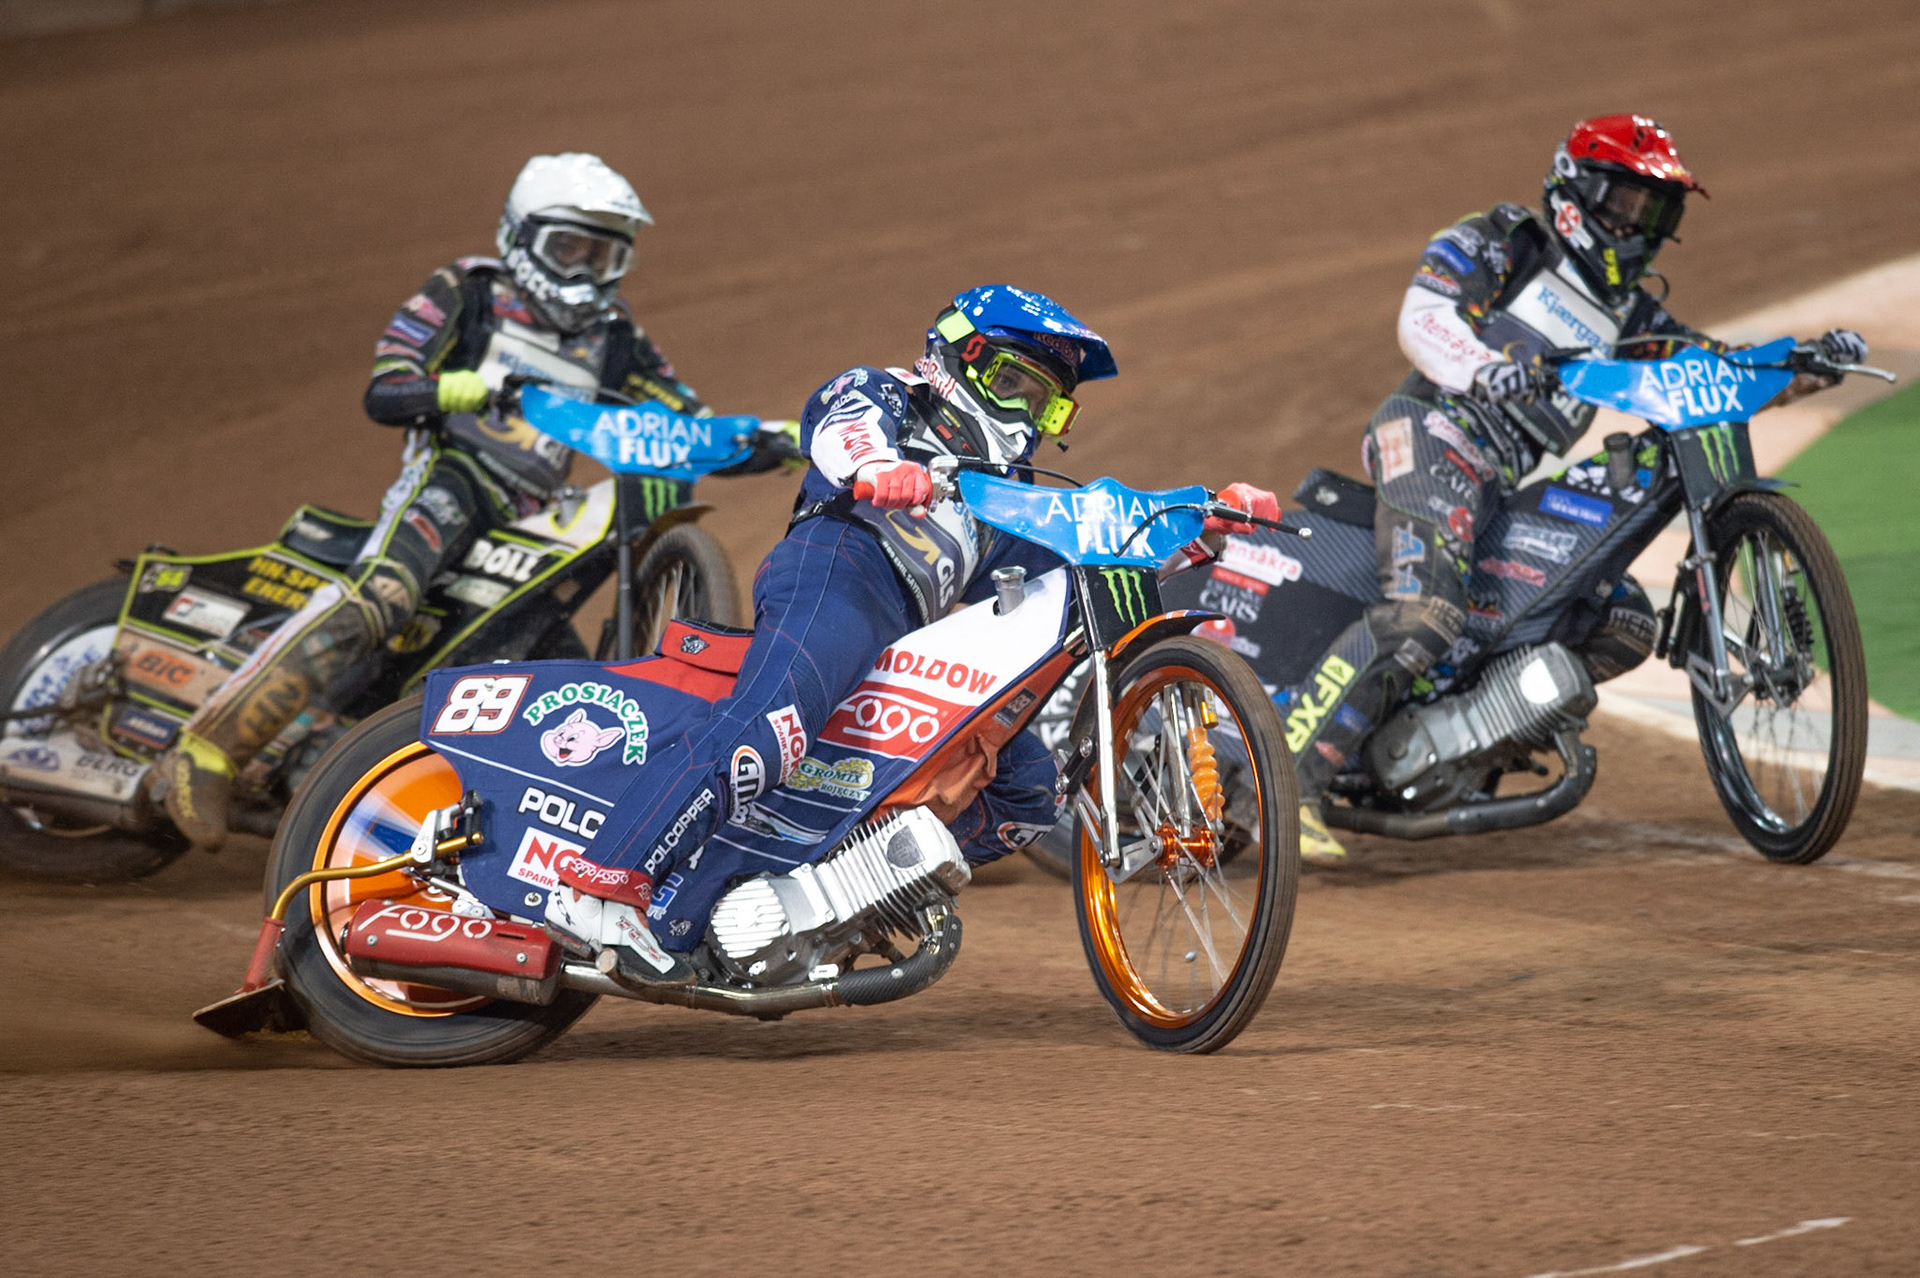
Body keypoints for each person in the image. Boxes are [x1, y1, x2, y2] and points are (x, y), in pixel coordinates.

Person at [539, 284, 1280, 985]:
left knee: (1026, 794)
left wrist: (1201, 516)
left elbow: (1093, 533)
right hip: (843, 568)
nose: (1027, 417)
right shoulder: (890, 392)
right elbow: (839, 427)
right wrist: (879, 466)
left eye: (1049, 407)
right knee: (763, 734)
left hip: (910, 642)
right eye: (1017, 387)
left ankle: (838, 896)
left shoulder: (1007, 496)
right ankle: (602, 887)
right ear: (960, 358)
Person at [155, 152, 798, 849]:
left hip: (530, 517)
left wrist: (784, 438)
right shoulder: (468, 291)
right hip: (452, 478)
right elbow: (387, 384)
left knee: (557, 678)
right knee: (387, 595)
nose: (584, 271)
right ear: (520, 239)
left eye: (603, 255)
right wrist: (453, 389)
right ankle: (202, 751)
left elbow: (678, 421)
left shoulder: (614, 336)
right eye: (569, 249)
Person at [1290, 114, 1869, 866]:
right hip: (1432, 431)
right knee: (1424, 610)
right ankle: (1288, 779)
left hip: (1499, 483)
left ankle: (1464, 746)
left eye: (1657, 211)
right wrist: (1481, 366)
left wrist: (1802, 364)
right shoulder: (1503, 242)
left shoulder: (1632, 316)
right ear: (1576, 195)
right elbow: (1424, 317)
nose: (1640, 226)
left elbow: (1712, 370)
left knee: (1623, 619)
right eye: (1627, 204)